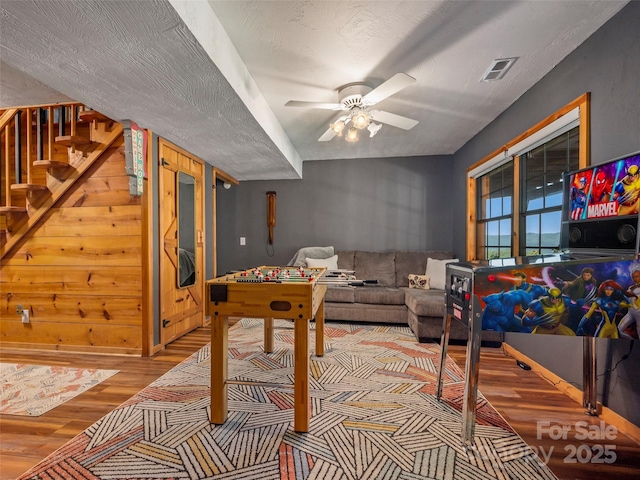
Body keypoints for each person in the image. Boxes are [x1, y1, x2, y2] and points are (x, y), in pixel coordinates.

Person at [618, 264, 640, 339]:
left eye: (636, 276)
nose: (634, 279)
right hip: (631, 313)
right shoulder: (631, 288)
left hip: (639, 314)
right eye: (633, 277)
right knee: (619, 331)